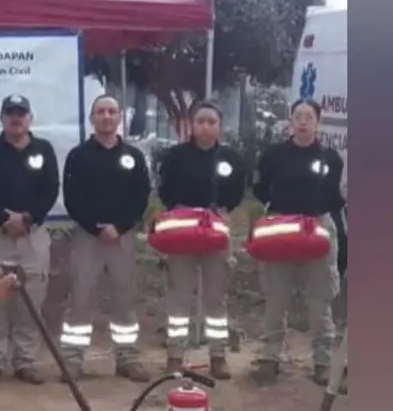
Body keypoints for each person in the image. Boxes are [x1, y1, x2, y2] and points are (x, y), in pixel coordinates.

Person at [251, 99, 345, 385]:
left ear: (318, 122)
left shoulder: (331, 157)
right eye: (298, 116)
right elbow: (260, 186)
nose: (303, 121)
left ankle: (323, 361)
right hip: (281, 228)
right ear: (290, 121)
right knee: (277, 295)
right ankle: (270, 357)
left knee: (320, 299)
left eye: (309, 117)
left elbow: (336, 195)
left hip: (318, 226)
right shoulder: (274, 155)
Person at [60, 95, 152, 383]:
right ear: (92, 118)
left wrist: (121, 227)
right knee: (81, 297)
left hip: (122, 238)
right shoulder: (78, 156)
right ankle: (73, 359)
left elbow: (141, 196)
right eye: (101, 112)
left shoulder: (133, 156)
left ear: (120, 117)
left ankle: (127, 357)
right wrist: (95, 227)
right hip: (89, 236)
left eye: (112, 111)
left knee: (124, 297)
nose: (107, 116)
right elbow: (72, 197)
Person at [0, 94, 60, 386]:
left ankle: (26, 361)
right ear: (2, 118)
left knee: (32, 300)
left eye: (21, 113)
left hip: (32, 236)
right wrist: (3, 219)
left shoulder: (44, 149)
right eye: (10, 113)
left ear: (30, 118)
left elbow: (50, 189)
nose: (16, 118)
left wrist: (28, 218)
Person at [156, 102, 246, 379]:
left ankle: (217, 356)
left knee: (216, 299)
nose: (206, 126)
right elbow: (164, 189)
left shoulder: (230, 158)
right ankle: (174, 355)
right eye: (201, 121)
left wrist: (223, 209)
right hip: (182, 233)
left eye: (212, 121)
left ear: (220, 126)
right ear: (192, 126)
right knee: (179, 297)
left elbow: (238, 190)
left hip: (216, 234)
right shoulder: (175, 156)